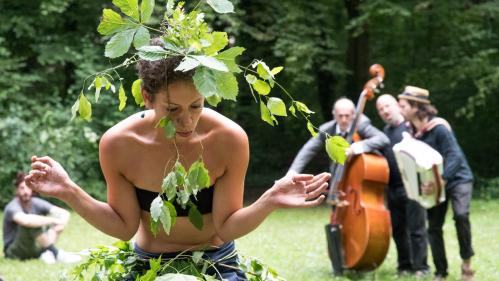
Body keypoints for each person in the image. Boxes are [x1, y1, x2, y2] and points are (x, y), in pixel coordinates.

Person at [24, 53, 331, 280]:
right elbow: (124, 226)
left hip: (217, 263)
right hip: (148, 265)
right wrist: (68, 191)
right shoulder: (118, 143)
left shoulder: (229, 139)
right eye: (172, 110)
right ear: (147, 97)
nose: (187, 122)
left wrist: (270, 199)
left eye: (196, 106)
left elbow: (226, 226)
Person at [398, 86, 475, 281]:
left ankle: (467, 264)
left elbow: (455, 157)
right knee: (433, 227)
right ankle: (441, 272)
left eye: (403, 105)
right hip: (435, 183)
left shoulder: (439, 127)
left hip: (458, 178)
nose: (400, 109)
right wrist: (420, 185)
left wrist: (440, 180)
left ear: (416, 107)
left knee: (461, 215)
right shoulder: (411, 132)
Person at [376, 94, 429, 277]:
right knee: (398, 230)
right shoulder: (383, 133)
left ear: (398, 106)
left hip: (412, 186)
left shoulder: (410, 127)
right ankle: (404, 265)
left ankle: (421, 267)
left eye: (387, 106)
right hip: (392, 189)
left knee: (416, 229)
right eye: (381, 109)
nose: (385, 111)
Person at [287, 97, 389, 176]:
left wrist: (355, 148)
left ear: (354, 115)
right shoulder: (327, 130)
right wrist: (293, 172)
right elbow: (308, 150)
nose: (344, 120)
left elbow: (382, 139)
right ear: (334, 115)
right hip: (337, 177)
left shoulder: (362, 124)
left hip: (358, 174)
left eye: (347, 116)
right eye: (340, 116)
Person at [3, 171, 81, 264]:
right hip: (14, 251)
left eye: (28, 188)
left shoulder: (36, 202)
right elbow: (26, 221)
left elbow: (64, 213)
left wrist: (60, 224)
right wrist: (54, 220)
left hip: (32, 247)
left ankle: (47, 253)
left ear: (32, 189)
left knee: (55, 224)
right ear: (17, 190)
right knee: (32, 223)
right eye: (22, 188)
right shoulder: (12, 206)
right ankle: (55, 253)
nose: (25, 191)